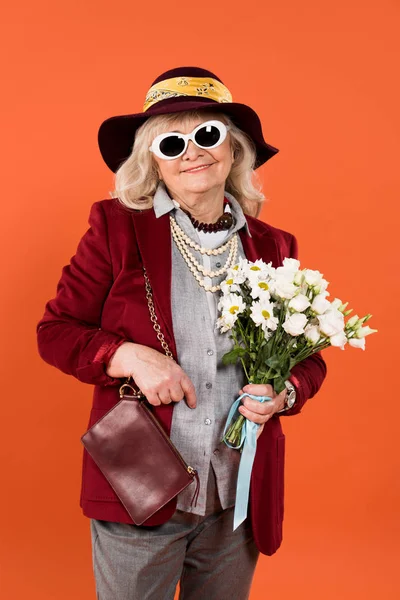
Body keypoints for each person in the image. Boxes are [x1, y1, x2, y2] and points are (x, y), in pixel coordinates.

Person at [36, 66, 327, 600]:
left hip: (237, 490)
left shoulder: (275, 246)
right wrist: (129, 356)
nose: (192, 151)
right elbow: (55, 331)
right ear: (154, 161)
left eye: (207, 134)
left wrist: (285, 393)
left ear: (234, 150)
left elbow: (309, 357)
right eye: (172, 142)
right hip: (141, 483)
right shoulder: (117, 229)